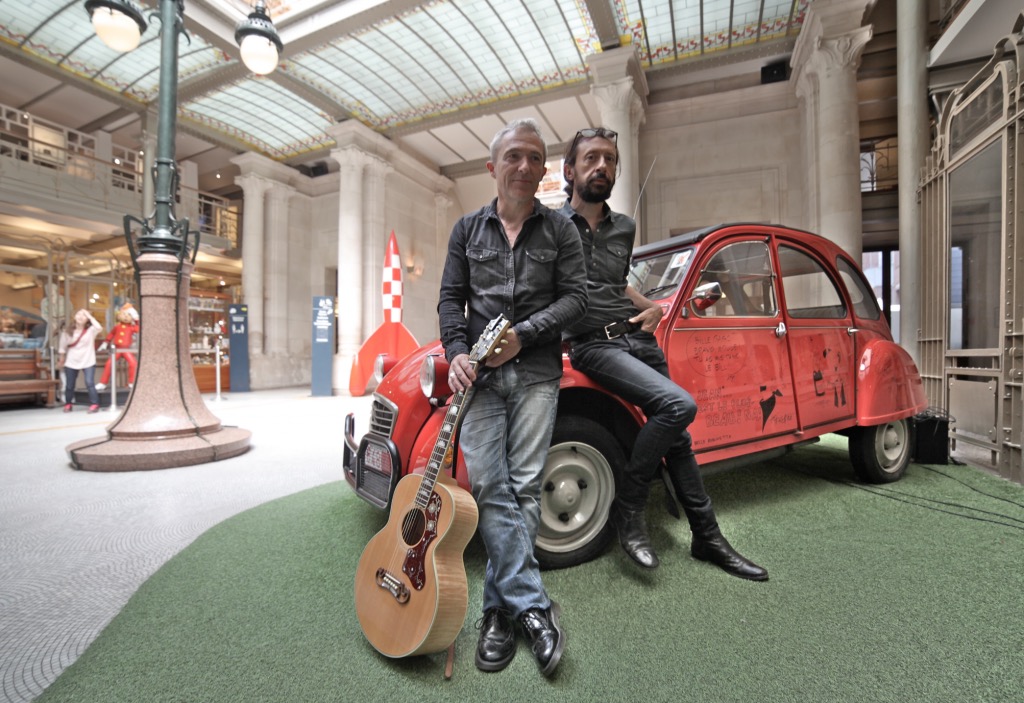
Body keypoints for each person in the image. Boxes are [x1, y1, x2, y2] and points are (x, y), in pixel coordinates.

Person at [559, 127, 767, 580]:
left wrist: (651, 307)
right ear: (570, 170)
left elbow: (615, 284)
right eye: (591, 158)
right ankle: (630, 505)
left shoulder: (624, 227)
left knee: (679, 438)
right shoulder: (551, 226)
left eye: (610, 159)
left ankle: (707, 537)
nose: (602, 166)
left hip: (637, 336)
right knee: (678, 406)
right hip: (593, 344)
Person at [438, 118, 587, 676]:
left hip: (537, 374)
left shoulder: (561, 230)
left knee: (524, 486)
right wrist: (457, 351)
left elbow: (576, 300)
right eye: (514, 156)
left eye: (535, 158)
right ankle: (535, 608)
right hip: (478, 380)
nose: (525, 166)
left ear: (544, 169)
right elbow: (450, 299)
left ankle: (498, 613)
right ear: (492, 166)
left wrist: (524, 335)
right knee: (490, 486)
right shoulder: (466, 230)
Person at [57, 308, 103, 413]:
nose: (81, 317)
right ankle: (68, 404)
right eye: (79, 314)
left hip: (88, 360)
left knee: (89, 382)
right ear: (74, 316)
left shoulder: (91, 331)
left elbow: (99, 327)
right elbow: (62, 347)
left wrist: (90, 316)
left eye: (84, 315)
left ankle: (95, 404)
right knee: (70, 385)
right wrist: (61, 359)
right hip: (71, 360)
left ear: (87, 319)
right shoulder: (67, 331)